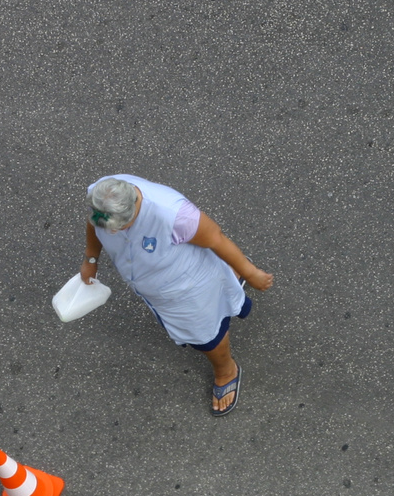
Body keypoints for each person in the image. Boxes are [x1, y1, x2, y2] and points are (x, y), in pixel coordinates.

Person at [80, 175, 273, 414]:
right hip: (160, 290)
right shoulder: (102, 195)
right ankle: (230, 275)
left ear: (130, 215)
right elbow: (95, 222)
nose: (110, 231)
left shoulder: (174, 215)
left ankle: (226, 370)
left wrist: (251, 272)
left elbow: (216, 238)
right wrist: (91, 259)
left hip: (189, 289)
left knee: (207, 337)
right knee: (211, 309)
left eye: (116, 228)